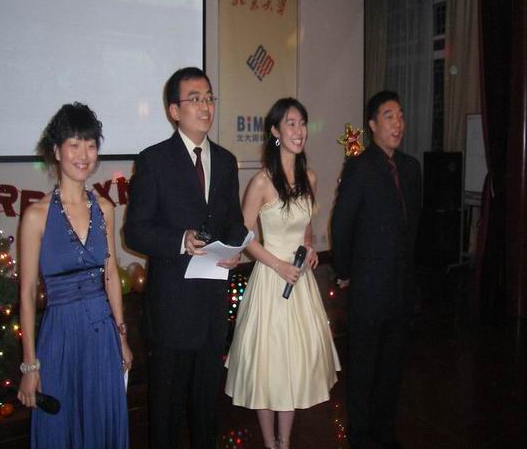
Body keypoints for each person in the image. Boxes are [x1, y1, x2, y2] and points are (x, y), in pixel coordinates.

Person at [123, 67, 247, 449]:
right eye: (195, 99)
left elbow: (234, 222)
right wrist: (180, 240)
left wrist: (235, 249)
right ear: (174, 111)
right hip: (171, 309)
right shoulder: (154, 161)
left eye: (209, 97)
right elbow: (135, 231)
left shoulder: (225, 161)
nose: (205, 106)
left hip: (212, 306)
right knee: (165, 411)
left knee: (206, 409)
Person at [225, 98, 341, 449]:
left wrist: (309, 250)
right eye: (291, 123)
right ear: (275, 131)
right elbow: (244, 236)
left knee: (292, 366)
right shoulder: (261, 182)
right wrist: (278, 265)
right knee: (268, 366)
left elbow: (306, 230)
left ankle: (284, 442)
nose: (299, 130)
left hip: (299, 283)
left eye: (302, 123)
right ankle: (269, 442)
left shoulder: (310, 178)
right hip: (270, 280)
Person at [18, 103, 131, 448]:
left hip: (102, 336)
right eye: (74, 145)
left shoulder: (105, 209)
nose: (84, 155)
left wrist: (122, 337)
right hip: (60, 336)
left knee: (101, 422)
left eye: (91, 145)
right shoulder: (35, 216)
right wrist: (30, 366)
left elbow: (110, 275)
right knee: (61, 428)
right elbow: (27, 293)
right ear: (56, 151)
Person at [331, 91, 422, 449]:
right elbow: (342, 224)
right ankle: (361, 434)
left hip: (401, 286)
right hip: (369, 286)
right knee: (364, 365)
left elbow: (414, 227)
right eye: (388, 116)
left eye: (400, 116)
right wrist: (344, 271)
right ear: (372, 125)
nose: (397, 123)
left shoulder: (411, 168)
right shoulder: (360, 167)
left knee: (393, 365)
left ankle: (385, 430)